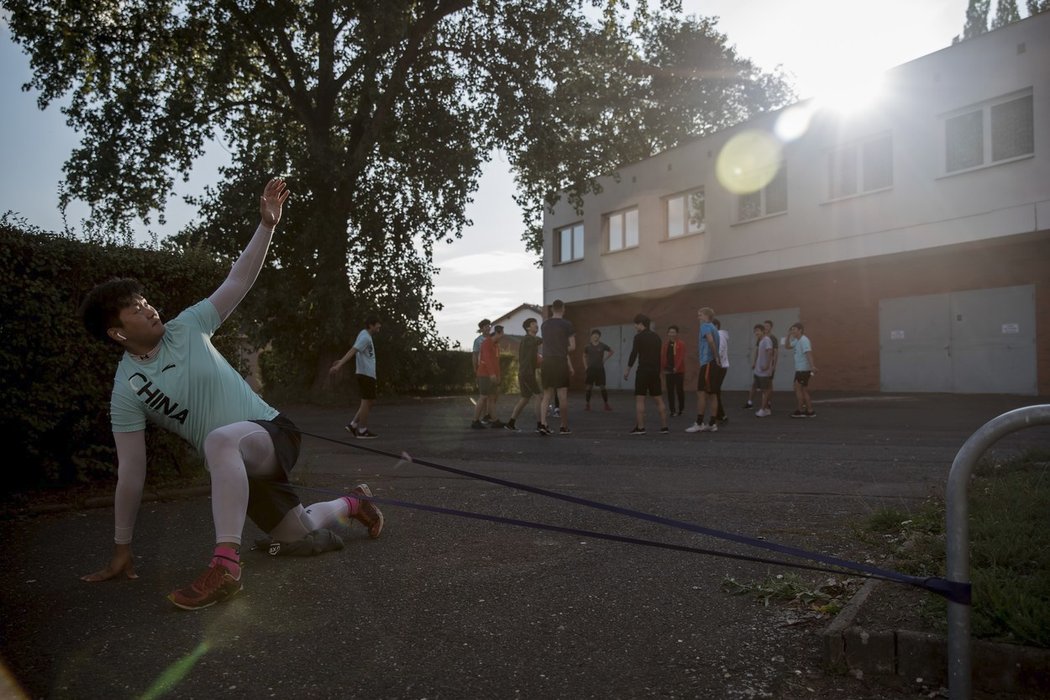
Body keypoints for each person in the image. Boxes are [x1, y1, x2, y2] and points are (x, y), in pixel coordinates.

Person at [78, 178, 384, 610]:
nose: (148, 307)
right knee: (299, 532)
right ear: (117, 332)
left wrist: (267, 226)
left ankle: (225, 566)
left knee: (218, 439)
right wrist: (121, 544)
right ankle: (354, 502)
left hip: (271, 434)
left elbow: (238, 280)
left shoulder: (188, 325)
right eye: (135, 308)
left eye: (145, 301)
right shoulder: (126, 389)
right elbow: (130, 472)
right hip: (235, 467)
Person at [329, 316, 382, 438]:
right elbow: (353, 350)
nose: (380, 326)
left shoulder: (365, 335)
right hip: (365, 374)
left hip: (368, 374)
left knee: (370, 401)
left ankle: (353, 425)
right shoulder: (365, 337)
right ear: (371, 325)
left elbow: (354, 350)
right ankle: (362, 430)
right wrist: (340, 365)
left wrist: (341, 361)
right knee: (366, 401)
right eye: (378, 324)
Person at [623, 314, 669, 435]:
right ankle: (664, 428)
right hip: (654, 372)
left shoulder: (638, 337)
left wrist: (627, 369)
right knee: (659, 399)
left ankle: (641, 428)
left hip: (643, 371)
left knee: (640, 399)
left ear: (641, 324)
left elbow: (634, 354)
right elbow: (659, 357)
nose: (635, 326)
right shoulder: (657, 337)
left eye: (636, 324)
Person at [539, 299, 575, 435]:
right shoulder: (567, 324)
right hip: (560, 361)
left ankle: (543, 424)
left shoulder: (544, 325)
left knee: (547, 395)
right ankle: (563, 426)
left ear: (552, 309)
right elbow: (573, 346)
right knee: (562, 395)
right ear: (563, 309)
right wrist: (562, 347)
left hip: (546, 361)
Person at [685, 307, 723, 433]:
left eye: (700, 315)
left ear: (706, 316)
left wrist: (716, 356)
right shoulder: (714, 328)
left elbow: (710, 341)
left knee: (701, 393)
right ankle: (712, 423)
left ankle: (699, 423)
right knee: (713, 394)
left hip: (708, 364)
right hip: (712, 364)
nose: (698, 317)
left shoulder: (705, 326)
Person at [506, 318, 543, 432]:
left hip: (525, 372)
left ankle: (510, 423)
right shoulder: (528, 339)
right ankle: (540, 425)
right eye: (533, 324)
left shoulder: (530, 340)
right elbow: (539, 340)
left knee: (525, 398)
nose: (536, 326)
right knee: (539, 396)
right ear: (528, 328)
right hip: (526, 373)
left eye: (536, 324)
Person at [471, 325, 505, 429]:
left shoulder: (496, 346)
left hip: (492, 375)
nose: (503, 335)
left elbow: (496, 362)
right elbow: (487, 360)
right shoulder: (486, 343)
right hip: (485, 375)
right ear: (497, 333)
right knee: (483, 397)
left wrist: (498, 375)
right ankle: (475, 421)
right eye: (502, 333)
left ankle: (495, 421)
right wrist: (492, 374)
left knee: (491, 398)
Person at [785, 322, 817, 418]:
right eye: (792, 329)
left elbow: (809, 353)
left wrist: (812, 366)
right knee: (802, 389)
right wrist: (788, 336)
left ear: (800, 330)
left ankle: (801, 410)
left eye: (794, 329)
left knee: (799, 389)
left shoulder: (804, 340)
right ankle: (809, 411)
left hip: (803, 369)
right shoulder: (796, 340)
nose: (792, 331)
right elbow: (787, 346)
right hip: (800, 369)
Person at [583, 329, 614, 411]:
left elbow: (611, 351)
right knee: (588, 387)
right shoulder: (587, 346)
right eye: (594, 334)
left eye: (597, 335)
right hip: (590, 369)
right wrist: (586, 366)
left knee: (602, 387)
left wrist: (605, 359)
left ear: (599, 337)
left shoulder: (602, 345)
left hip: (600, 369)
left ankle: (606, 405)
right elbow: (584, 356)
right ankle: (587, 404)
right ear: (591, 336)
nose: (596, 336)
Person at [472, 319, 493, 423]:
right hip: (483, 370)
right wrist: (475, 369)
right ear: (481, 328)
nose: (488, 327)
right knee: (484, 396)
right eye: (486, 326)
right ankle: (482, 416)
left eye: (489, 325)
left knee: (491, 396)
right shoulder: (478, 340)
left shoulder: (493, 339)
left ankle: (488, 416)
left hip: (492, 371)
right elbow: (475, 355)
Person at [661, 325, 686, 417]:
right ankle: (672, 410)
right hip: (668, 370)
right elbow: (663, 357)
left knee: (679, 390)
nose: (672, 334)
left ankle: (681, 409)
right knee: (670, 391)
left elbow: (681, 357)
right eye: (670, 332)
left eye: (673, 332)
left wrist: (676, 367)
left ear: (677, 333)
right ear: (668, 333)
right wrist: (663, 368)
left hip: (679, 371)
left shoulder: (681, 344)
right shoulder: (665, 345)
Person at [753, 324, 775, 417]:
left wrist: (767, 366)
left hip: (765, 371)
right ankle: (766, 409)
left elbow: (770, 352)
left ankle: (763, 410)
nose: (756, 333)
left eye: (758, 330)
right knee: (765, 390)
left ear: (763, 331)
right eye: (755, 331)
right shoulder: (761, 340)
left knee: (766, 390)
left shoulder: (766, 340)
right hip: (759, 370)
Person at [713, 318, 730, 424]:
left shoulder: (719, 335)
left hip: (719, 366)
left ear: (716, 326)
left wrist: (716, 361)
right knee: (715, 391)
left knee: (715, 391)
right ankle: (720, 414)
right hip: (719, 366)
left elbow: (721, 349)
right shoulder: (717, 335)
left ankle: (721, 414)